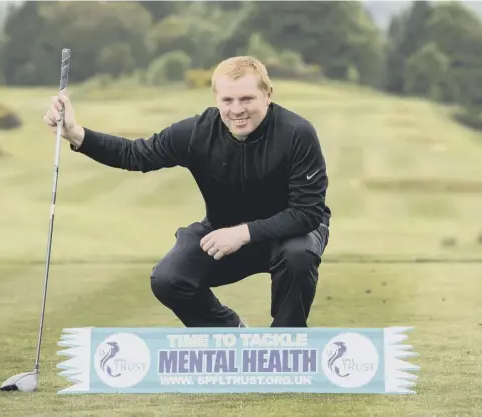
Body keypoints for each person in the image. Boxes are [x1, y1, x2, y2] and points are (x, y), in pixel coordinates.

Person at [43, 56, 331, 328]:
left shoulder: (297, 133)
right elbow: (135, 154)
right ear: (216, 99)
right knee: (169, 279)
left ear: (268, 94)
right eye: (227, 100)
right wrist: (76, 133)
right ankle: (231, 337)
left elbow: (307, 213)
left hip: (290, 233)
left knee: (298, 255)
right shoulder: (197, 133)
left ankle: (287, 346)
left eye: (247, 99)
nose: (237, 109)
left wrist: (242, 233)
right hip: (222, 230)